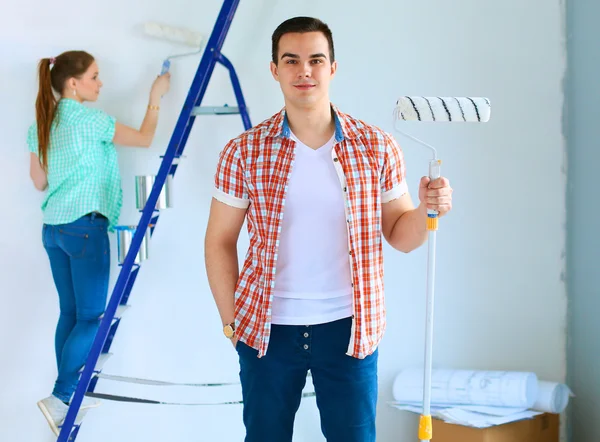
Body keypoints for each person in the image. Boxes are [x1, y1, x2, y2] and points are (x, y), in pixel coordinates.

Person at [204, 16, 453, 442]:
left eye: (316, 60)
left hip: (350, 330)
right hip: (267, 331)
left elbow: (402, 236)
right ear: (275, 69)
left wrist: (430, 211)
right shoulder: (243, 151)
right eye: (291, 60)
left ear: (332, 68)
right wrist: (232, 325)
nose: (304, 70)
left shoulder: (375, 146)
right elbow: (219, 241)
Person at [28, 50, 170, 436]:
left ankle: (63, 396)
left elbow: (38, 182)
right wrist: (157, 94)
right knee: (91, 318)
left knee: (70, 315)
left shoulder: (42, 122)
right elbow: (143, 139)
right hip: (85, 228)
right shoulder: (91, 120)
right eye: (95, 76)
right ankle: (60, 396)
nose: (100, 83)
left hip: (53, 230)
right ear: (73, 83)